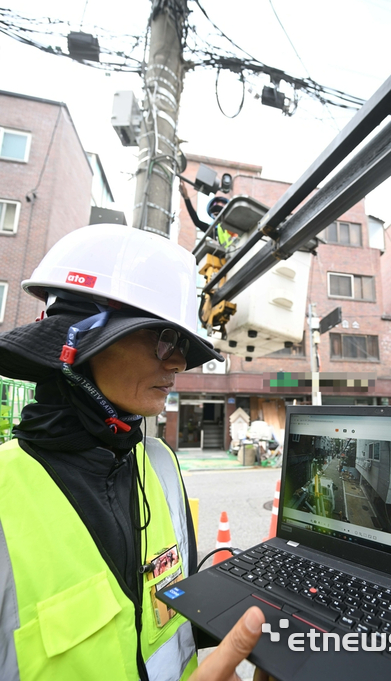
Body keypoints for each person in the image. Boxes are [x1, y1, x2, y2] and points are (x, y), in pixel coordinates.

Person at [0, 224, 269, 681]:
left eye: (183, 345)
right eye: (164, 337)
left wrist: (276, 623)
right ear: (79, 339)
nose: (179, 362)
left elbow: (171, 615)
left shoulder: (160, 463)